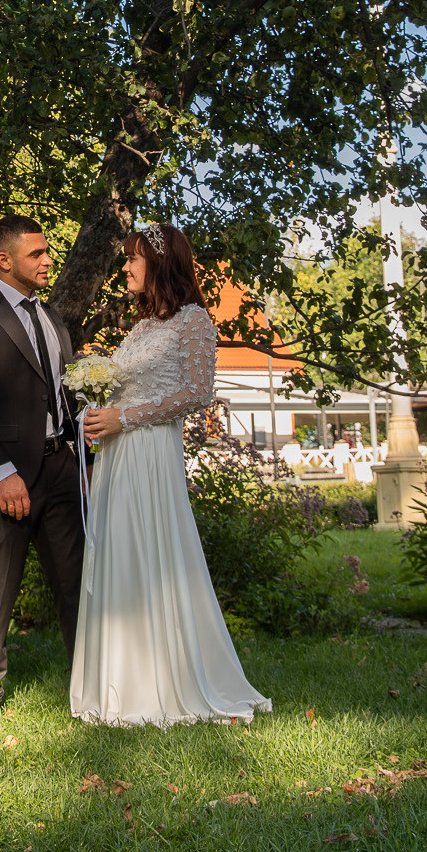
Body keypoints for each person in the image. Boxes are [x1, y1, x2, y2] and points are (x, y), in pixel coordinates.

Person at [73, 222, 271, 728]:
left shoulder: (194, 321)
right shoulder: (140, 328)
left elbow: (197, 392)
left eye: (133, 259)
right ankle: (120, 682)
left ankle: (167, 679)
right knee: (119, 549)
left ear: (159, 263)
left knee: (152, 549)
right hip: (117, 455)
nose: (126, 268)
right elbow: (123, 388)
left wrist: (125, 417)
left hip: (151, 451)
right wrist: (98, 414)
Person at [0, 214, 85, 728]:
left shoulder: (53, 320)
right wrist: (2, 472)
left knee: (76, 584)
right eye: (37, 254)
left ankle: (89, 687)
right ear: (4, 260)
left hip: (61, 471)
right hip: (3, 479)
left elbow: (63, 394)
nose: (48, 260)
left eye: (47, 252)